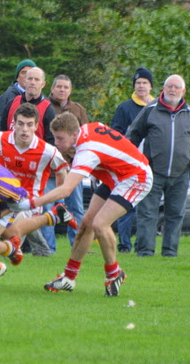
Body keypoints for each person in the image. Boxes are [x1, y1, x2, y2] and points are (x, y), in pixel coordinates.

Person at [32, 113, 153, 296]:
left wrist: (33, 202)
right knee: (87, 223)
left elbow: (66, 190)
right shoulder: (87, 129)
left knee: (99, 224)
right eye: (55, 137)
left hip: (137, 177)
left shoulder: (86, 151)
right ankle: (69, 278)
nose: (56, 143)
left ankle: (114, 273)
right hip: (117, 176)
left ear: (74, 135)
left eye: (60, 138)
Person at [0, 103, 71, 286]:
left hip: (25, 203)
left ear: (36, 126)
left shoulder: (47, 151)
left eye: (29, 124)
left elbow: (62, 172)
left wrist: (60, 197)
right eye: (21, 123)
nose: (24, 129)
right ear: (13, 124)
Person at [127, 74, 190, 257]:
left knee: (175, 214)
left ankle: (170, 252)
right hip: (152, 173)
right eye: (169, 86)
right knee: (147, 213)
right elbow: (133, 135)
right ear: (163, 88)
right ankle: (145, 251)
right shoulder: (150, 110)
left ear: (183, 91)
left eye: (177, 87)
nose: (173, 90)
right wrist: (132, 161)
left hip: (181, 174)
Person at [1, 66, 58, 252]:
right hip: (11, 165)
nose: (32, 82)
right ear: (23, 81)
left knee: (38, 208)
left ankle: (36, 248)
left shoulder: (48, 109)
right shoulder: (12, 102)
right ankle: (36, 248)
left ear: (43, 84)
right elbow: (3, 130)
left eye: (36, 80)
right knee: (14, 208)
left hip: (36, 169)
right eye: (29, 78)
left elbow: (53, 141)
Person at [111, 67, 155, 253]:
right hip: (129, 165)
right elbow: (115, 134)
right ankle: (124, 245)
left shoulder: (157, 107)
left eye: (144, 83)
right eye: (138, 83)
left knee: (146, 208)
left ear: (151, 86)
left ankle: (143, 245)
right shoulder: (125, 108)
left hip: (151, 164)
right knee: (126, 206)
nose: (141, 86)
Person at [48, 74, 89, 247]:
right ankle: (47, 249)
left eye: (66, 87)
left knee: (76, 209)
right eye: (59, 87)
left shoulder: (78, 110)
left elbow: (86, 137)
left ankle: (78, 246)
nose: (62, 90)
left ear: (70, 90)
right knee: (47, 208)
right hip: (50, 168)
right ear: (52, 88)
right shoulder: (45, 107)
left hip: (73, 168)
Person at [0, 59, 36, 135]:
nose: (27, 76)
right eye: (24, 73)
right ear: (17, 77)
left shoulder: (42, 99)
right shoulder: (7, 97)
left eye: (30, 74)